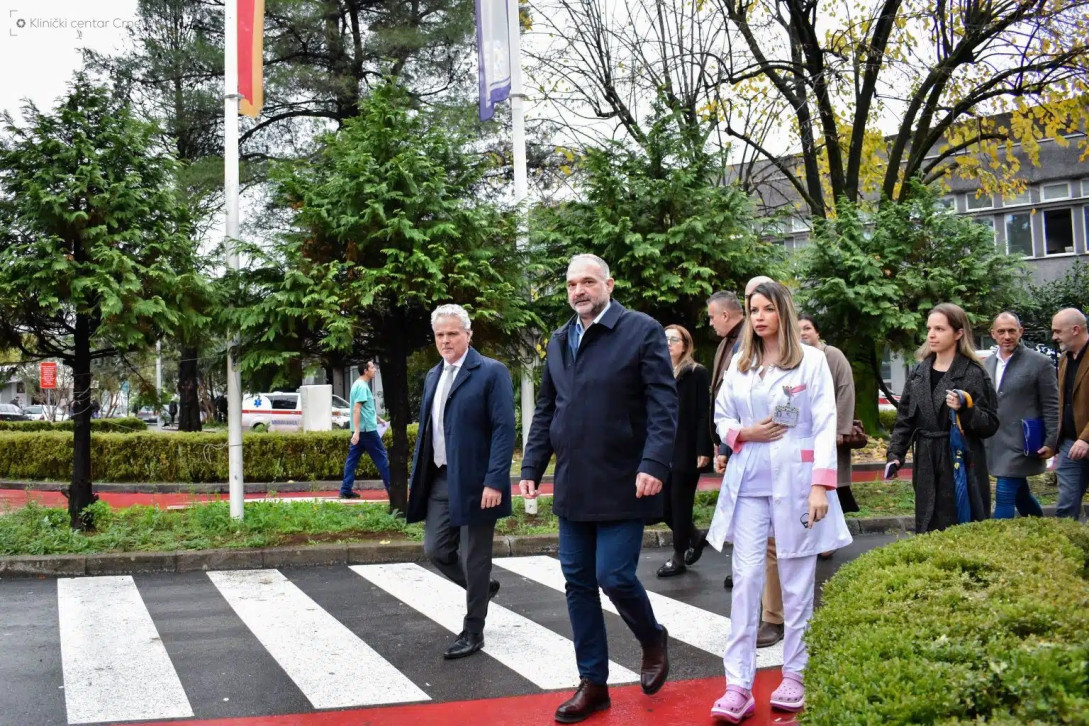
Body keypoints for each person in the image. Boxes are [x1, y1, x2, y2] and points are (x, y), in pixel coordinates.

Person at [519, 254, 677, 723]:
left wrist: (654, 462)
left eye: (588, 281)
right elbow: (547, 408)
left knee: (614, 575)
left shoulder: (640, 330)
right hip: (573, 482)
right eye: (572, 284)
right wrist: (532, 465)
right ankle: (593, 683)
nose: (579, 291)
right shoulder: (559, 339)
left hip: (625, 479)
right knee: (578, 584)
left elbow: (663, 403)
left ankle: (651, 637)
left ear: (609, 284)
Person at [706, 281, 851, 722]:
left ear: (783, 312)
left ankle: (794, 675)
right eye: (754, 310)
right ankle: (738, 685)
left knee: (796, 582)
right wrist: (743, 433)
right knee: (746, 579)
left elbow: (824, 423)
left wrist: (821, 486)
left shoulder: (811, 361)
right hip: (750, 483)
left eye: (768, 309)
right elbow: (722, 415)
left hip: (798, 482)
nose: (760, 317)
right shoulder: (742, 363)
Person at [406, 304, 516, 659]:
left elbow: (504, 430)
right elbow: (430, 431)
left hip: (478, 481)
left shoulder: (491, 372)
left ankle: (473, 631)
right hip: (441, 477)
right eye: (440, 335)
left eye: (453, 333)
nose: (446, 340)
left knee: (475, 558)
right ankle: (482, 587)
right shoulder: (433, 375)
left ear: (468, 334)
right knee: (436, 550)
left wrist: (495, 480)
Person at [886, 303, 999, 533]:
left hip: (960, 461)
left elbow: (990, 424)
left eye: (939, 329)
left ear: (958, 333)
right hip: (926, 460)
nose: (931, 335)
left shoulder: (973, 373)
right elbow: (905, 419)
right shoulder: (919, 372)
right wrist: (895, 455)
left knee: (961, 524)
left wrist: (966, 409)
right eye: (929, 328)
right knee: (928, 522)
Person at [983, 312, 1058, 518]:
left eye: (1011, 331)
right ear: (993, 334)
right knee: (1021, 496)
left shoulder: (1040, 363)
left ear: (1021, 332)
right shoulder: (986, 364)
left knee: (1005, 493)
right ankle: (1041, 527)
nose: (1007, 336)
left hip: (1023, 441)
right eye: (1001, 331)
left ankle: (999, 538)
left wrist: (1051, 441)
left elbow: (1051, 405)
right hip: (996, 442)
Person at [656, 324, 712, 577]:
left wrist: (703, 448)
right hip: (662, 446)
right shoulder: (658, 370)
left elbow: (703, 413)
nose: (668, 343)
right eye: (665, 338)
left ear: (685, 345)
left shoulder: (696, 372)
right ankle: (695, 535)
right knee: (663, 507)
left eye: (674, 339)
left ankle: (678, 556)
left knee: (680, 504)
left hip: (686, 447)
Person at [798, 314, 861, 522]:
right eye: (797, 329)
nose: (802, 333)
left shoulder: (832, 355)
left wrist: (839, 429)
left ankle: (835, 528)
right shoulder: (795, 357)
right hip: (804, 433)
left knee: (833, 482)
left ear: (817, 332)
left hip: (831, 430)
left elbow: (846, 390)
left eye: (807, 328)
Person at [1051, 308, 1089, 520]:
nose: (1054, 337)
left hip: (1083, 440)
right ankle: (1068, 539)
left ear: (1075, 329)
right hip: (1069, 444)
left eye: (1058, 331)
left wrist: (1085, 439)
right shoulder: (1065, 359)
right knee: (1066, 506)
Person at [339, 361, 392, 499]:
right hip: (367, 431)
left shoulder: (357, 384)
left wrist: (377, 419)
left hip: (361, 430)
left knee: (352, 460)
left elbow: (365, 408)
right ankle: (393, 490)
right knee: (382, 458)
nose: (375, 370)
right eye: (372, 367)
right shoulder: (362, 387)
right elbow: (357, 409)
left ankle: (345, 489)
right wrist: (357, 432)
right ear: (365, 371)